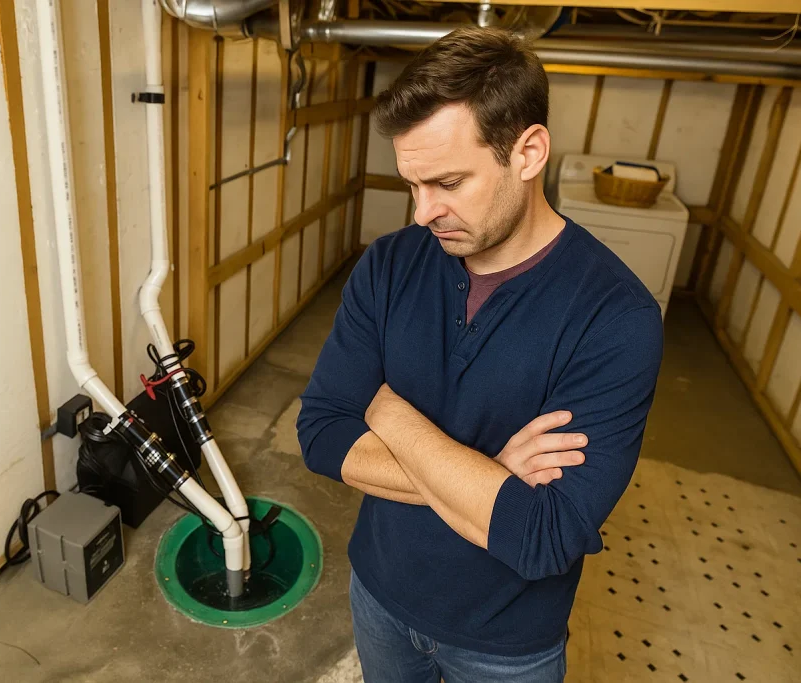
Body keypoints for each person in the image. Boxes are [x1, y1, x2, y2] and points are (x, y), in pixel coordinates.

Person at [295, 26, 664, 683]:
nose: (421, 213)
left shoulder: (616, 317)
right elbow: (322, 433)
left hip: (506, 643)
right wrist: (491, 473)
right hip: (378, 593)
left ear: (528, 151)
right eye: (412, 185)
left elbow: (543, 534)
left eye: (447, 183)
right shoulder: (388, 266)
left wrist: (382, 405)